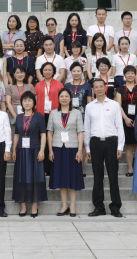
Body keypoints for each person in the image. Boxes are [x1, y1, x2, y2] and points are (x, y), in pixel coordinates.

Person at [85, 78, 124, 217]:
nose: (99, 89)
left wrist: (120, 146)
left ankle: (115, 207)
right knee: (97, 176)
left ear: (105, 87)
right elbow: (87, 129)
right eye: (96, 87)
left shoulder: (114, 105)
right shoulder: (89, 107)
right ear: (93, 89)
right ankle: (99, 207)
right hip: (95, 142)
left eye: (101, 86)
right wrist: (87, 148)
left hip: (111, 142)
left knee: (113, 175)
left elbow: (119, 127)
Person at [47, 88, 84, 216]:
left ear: (70, 98)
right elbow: (50, 132)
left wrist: (80, 150)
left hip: (73, 148)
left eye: (66, 96)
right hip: (58, 148)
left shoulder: (77, 113)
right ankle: (64, 205)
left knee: (72, 177)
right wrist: (50, 150)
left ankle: (72, 205)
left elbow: (80, 132)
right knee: (62, 177)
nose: (64, 98)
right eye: (61, 96)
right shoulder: (53, 113)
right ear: (58, 98)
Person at [12, 92, 47, 217]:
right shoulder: (19, 117)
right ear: (21, 103)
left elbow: (43, 134)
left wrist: (42, 150)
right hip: (21, 151)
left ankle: (34, 206)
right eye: (25, 100)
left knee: (35, 178)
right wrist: (14, 150)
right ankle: (23, 206)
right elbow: (16, 134)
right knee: (21, 177)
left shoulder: (39, 116)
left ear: (34, 102)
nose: (27, 103)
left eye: (29, 100)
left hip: (35, 150)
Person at [115, 65, 137, 177]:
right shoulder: (120, 89)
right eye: (128, 73)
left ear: (135, 75)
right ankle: (130, 169)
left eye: (132, 73)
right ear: (124, 75)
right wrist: (126, 119)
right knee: (129, 145)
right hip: (125, 118)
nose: (130, 75)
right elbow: (118, 105)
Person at [5, 65, 36, 132]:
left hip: (28, 112)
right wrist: (14, 115)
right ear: (14, 74)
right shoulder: (10, 87)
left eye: (22, 72)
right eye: (17, 72)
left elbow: (34, 101)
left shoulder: (30, 86)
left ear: (25, 74)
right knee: (14, 132)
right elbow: (8, 102)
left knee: (27, 131)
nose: (20, 74)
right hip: (14, 112)